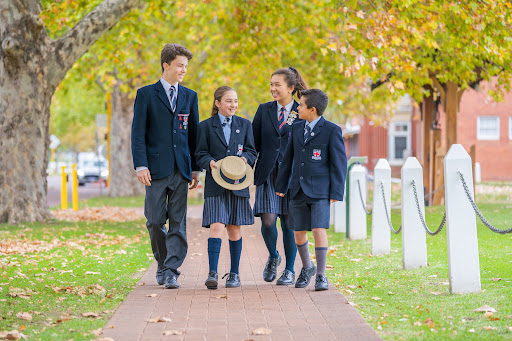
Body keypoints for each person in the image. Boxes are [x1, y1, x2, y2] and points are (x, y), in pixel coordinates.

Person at [131, 43, 200, 289]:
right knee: (154, 220)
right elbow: (137, 133)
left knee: (178, 222)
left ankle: (171, 270)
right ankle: (161, 263)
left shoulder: (190, 96)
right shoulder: (146, 94)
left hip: (181, 169)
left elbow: (193, 135)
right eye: (180, 65)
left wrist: (195, 168)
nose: (183, 70)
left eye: (185, 67)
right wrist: (141, 166)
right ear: (166, 65)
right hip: (155, 170)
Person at [275, 89, 347, 291]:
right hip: (297, 189)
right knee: (298, 231)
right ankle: (307, 267)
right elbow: (288, 158)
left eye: (301, 105)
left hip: (321, 191)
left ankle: (321, 275)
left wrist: (336, 192)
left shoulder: (331, 130)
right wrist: (281, 185)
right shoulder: (296, 128)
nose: (297, 108)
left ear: (312, 109)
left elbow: (339, 163)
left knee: (318, 229)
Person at [195, 86, 257, 289]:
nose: (233, 105)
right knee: (217, 226)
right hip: (215, 184)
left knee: (234, 229)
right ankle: (212, 273)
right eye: (229, 101)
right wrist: (210, 162)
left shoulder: (245, 125)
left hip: (239, 184)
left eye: (235, 101)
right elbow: (200, 154)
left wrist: (244, 158)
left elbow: (251, 151)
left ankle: (234, 274)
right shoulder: (205, 126)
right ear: (217, 103)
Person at [252, 67, 308, 285]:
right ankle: (274, 257)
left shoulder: (302, 111)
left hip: (292, 175)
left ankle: (290, 270)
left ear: (291, 88)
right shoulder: (264, 110)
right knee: (267, 222)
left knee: (288, 223)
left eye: (277, 84)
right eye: (271, 84)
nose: (273, 88)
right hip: (267, 172)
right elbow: (253, 143)